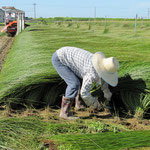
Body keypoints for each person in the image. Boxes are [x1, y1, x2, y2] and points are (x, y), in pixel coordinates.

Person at [52, 47, 119, 120]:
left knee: (82, 81)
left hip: (69, 57)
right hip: (60, 59)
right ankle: (64, 113)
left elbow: (104, 82)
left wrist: (107, 96)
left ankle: (79, 105)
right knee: (74, 84)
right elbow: (84, 93)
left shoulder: (101, 65)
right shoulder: (91, 72)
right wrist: (95, 104)